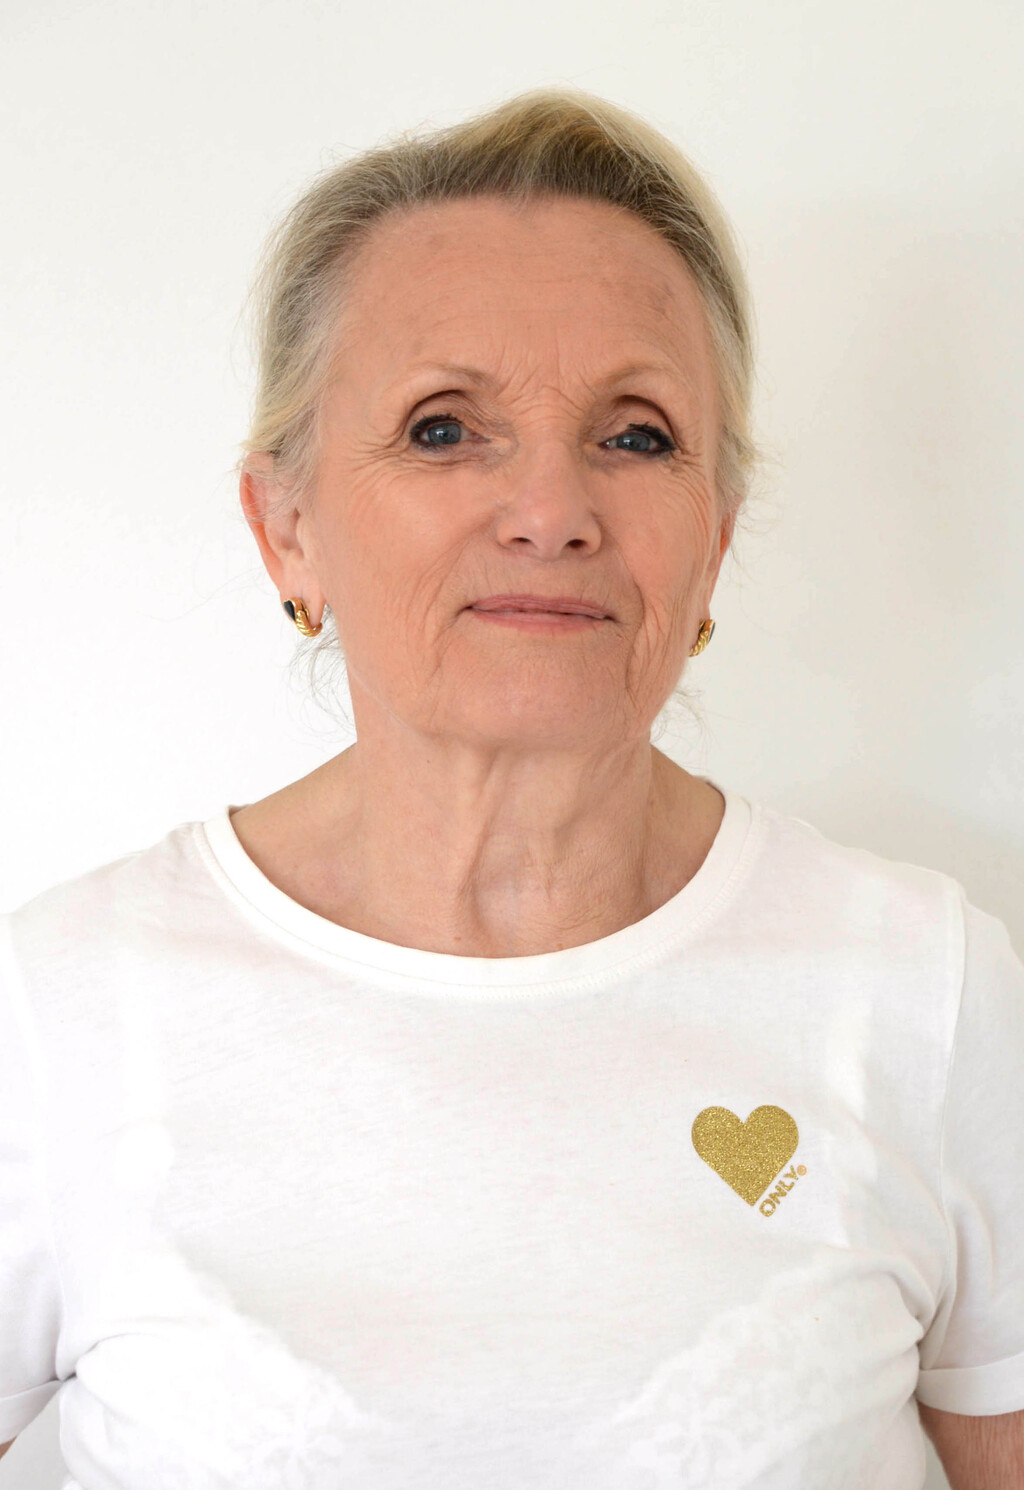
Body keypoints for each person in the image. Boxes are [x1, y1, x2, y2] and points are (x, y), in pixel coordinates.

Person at [1, 86, 1022, 1490]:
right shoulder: (56, 1010)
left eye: (637, 434)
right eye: (443, 428)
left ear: (716, 537)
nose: (551, 510)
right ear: (285, 525)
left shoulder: (930, 989)